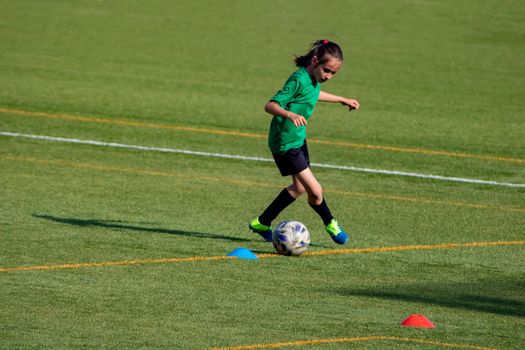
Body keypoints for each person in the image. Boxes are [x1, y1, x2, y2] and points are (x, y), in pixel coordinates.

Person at [249, 39, 360, 245]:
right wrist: (289, 114)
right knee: (315, 191)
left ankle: (261, 223)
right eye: (326, 70)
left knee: (299, 189)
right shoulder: (298, 79)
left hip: (298, 139)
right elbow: (270, 105)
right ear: (315, 61)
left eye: (333, 73)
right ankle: (331, 224)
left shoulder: (314, 78)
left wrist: (341, 99)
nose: (328, 76)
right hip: (285, 143)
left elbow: (314, 93)